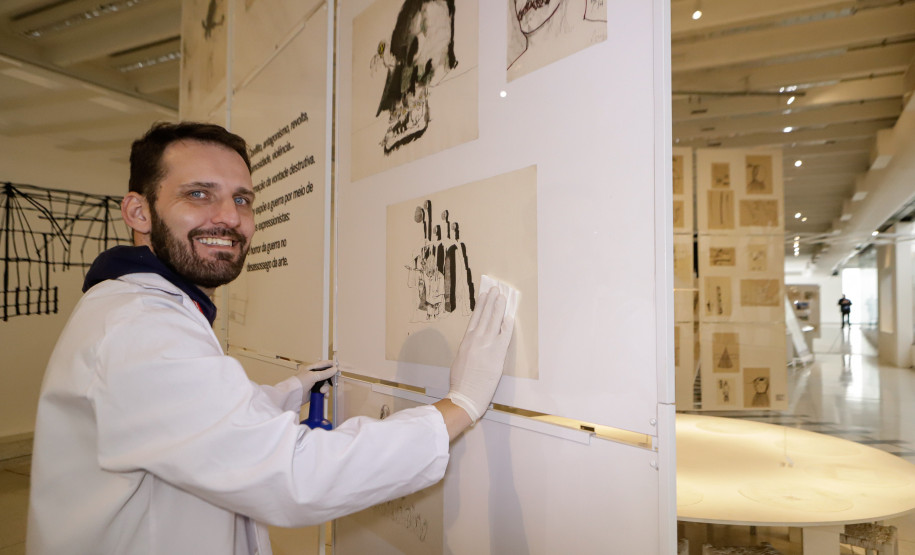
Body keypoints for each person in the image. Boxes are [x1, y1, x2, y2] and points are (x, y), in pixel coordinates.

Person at [26, 122, 515, 555]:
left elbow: (192, 424)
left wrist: (285, 393)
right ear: (138, 211)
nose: (230, 217)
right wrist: (460, 406)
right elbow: (294, 477)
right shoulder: (139, 329)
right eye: (198, 194)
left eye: (241, 198)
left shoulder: (144, 310)